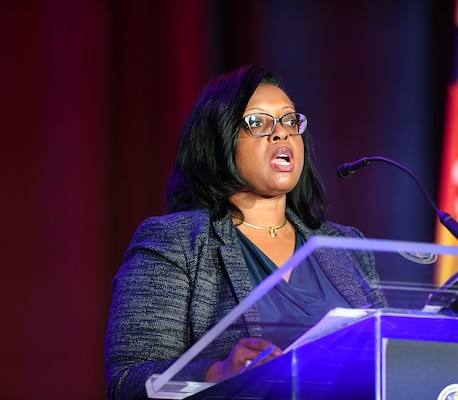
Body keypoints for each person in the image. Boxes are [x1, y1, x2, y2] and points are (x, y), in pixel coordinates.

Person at [104, 64, 387, 400]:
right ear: (220, 140)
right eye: (257, 122)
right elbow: (127, 381)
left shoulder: (346, 245)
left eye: (289, 120)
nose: (281, 133)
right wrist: (218, 373)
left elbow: (388, 352)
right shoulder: (178, 242)